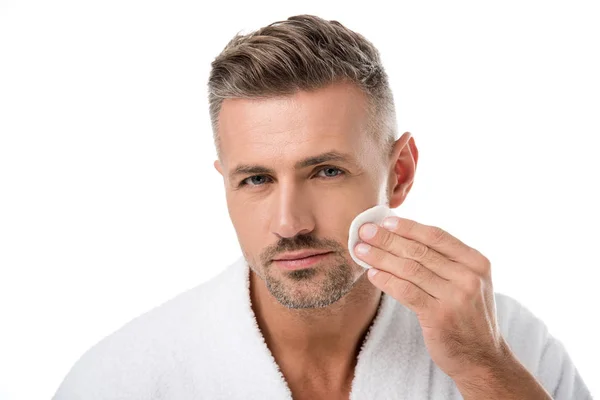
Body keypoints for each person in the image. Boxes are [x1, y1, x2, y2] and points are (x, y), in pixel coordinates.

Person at [53, 14, 592, 400]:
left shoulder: (512, 349)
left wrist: (484, 369)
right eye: (257, 179)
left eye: (326, 171)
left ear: (398, 173)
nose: (290, 223)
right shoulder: (119, 380)